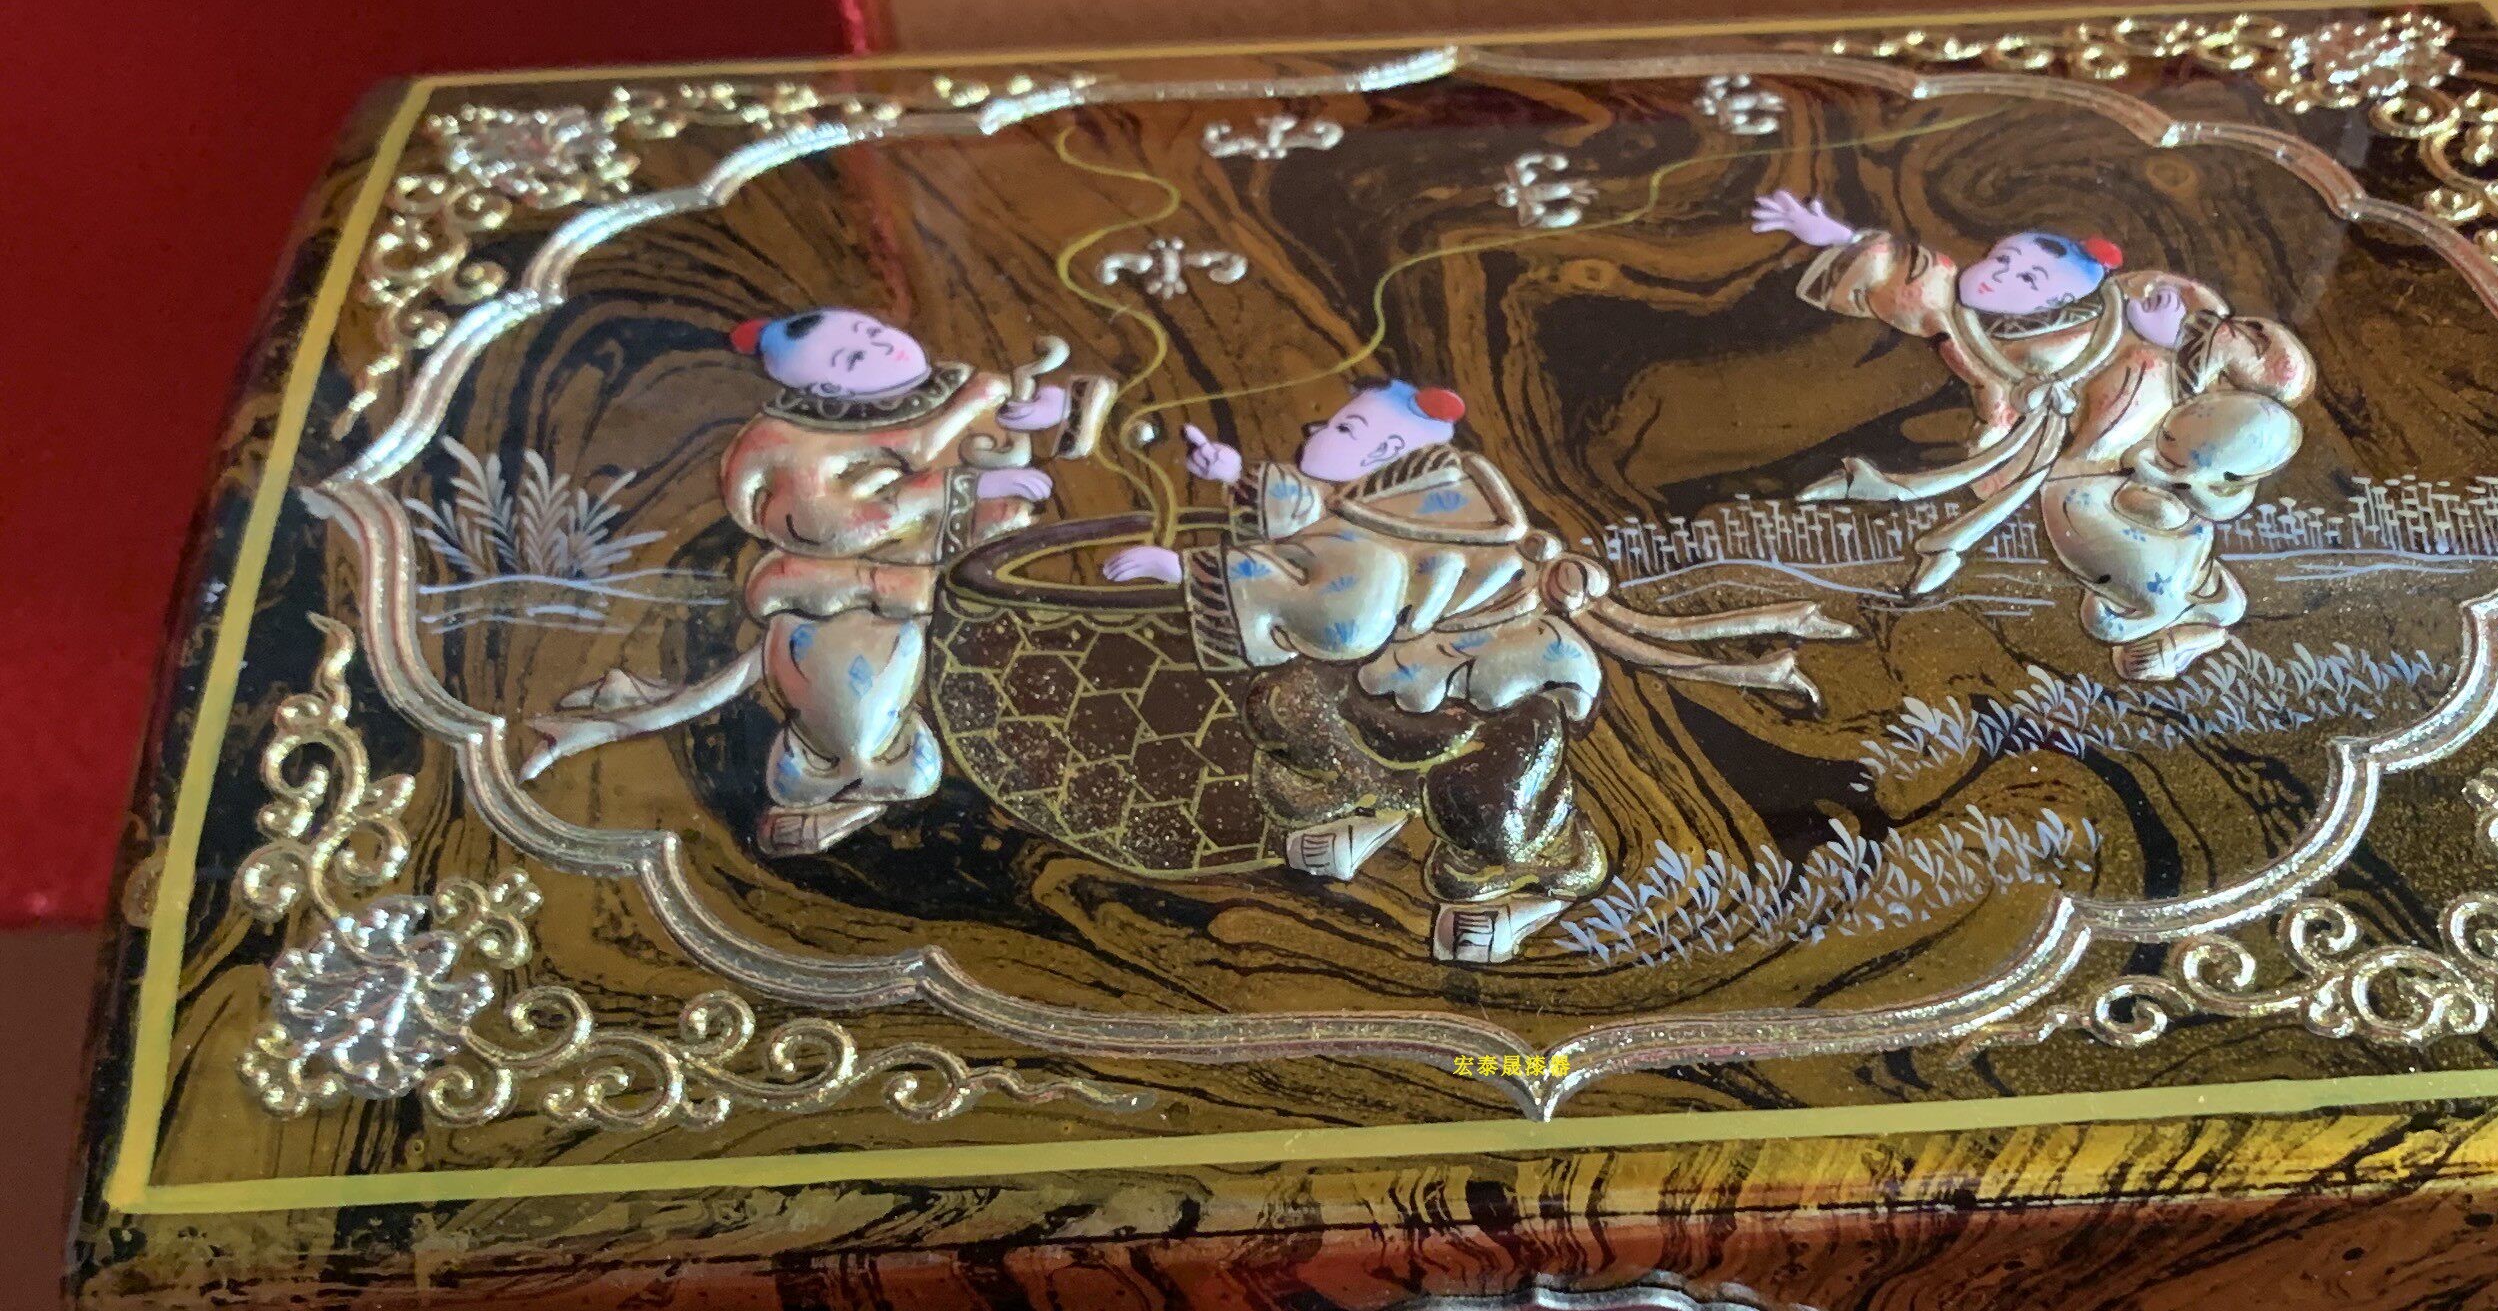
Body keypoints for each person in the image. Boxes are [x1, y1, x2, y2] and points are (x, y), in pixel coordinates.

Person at [1105, 380, 1845, 964]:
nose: (1317, 430)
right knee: (1290, 705)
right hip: (1392, 673)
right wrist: (1236, 475)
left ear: (1390, 448)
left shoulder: (1443, 507)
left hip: (1493, 680)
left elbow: (1343, 606)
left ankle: (1540, 888)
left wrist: (1183, 570)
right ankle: (1373, 811)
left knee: (1485, 804)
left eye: (1344, 429)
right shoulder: (1376, 498)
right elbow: (1317, 524)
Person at [523, 309, 1070, 856]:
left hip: (896, 603)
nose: (881, 346)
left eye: (873, 331)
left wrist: (1038, 413)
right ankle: (832, 792)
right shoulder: (794, 444)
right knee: (865, 731)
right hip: (839, 612)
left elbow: (998, 447)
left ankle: (642, 705)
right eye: (854, 357)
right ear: (828, 389)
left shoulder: (954, 391)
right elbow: (836, 523)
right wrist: (951, 486)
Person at [1750, 191, 2316, 679]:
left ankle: (2192, 621)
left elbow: (2202, 389)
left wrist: (2172, 343)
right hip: (2077, 472)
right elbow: (1902, 271)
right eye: (2003, 259)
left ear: (2059, 299)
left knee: (2154, 535)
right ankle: (2188, 618)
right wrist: (1831, 233)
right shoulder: (1959, 312)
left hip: (2114, 467)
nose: (1999, 275)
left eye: (2028, 279)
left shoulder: (2127, 340)